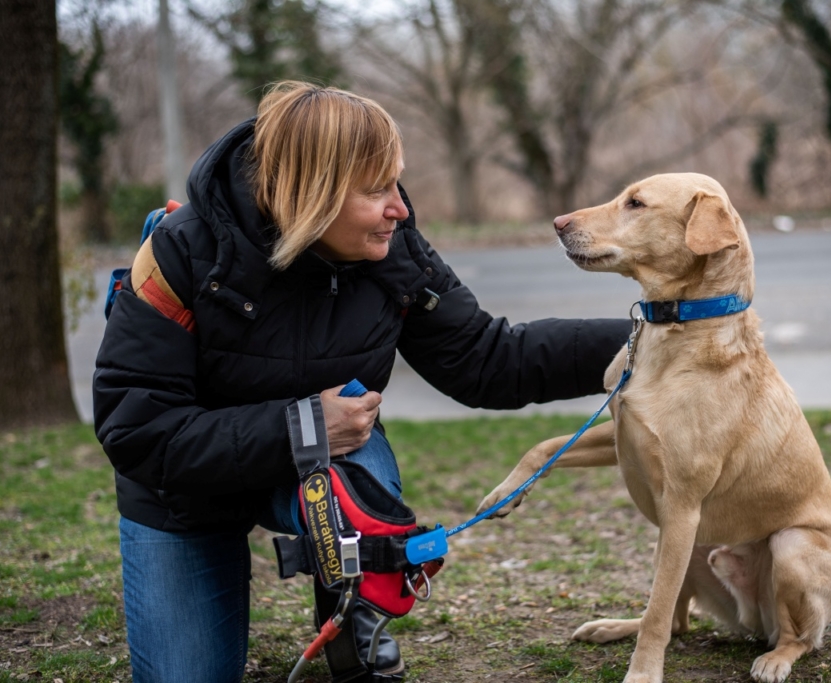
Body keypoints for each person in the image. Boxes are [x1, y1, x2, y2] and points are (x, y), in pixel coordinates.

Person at [93, 81, 629, 683]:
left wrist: (641, 337)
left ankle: (355, 623)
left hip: (323, 468)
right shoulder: (178, 252)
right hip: (180, 492)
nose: (399, 206)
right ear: (310, 194)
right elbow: (137, 429)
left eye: (397, 182)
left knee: (359, 476)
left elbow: (488, 358)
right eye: (376, 190)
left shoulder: (391, 248)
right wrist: (303, 424)